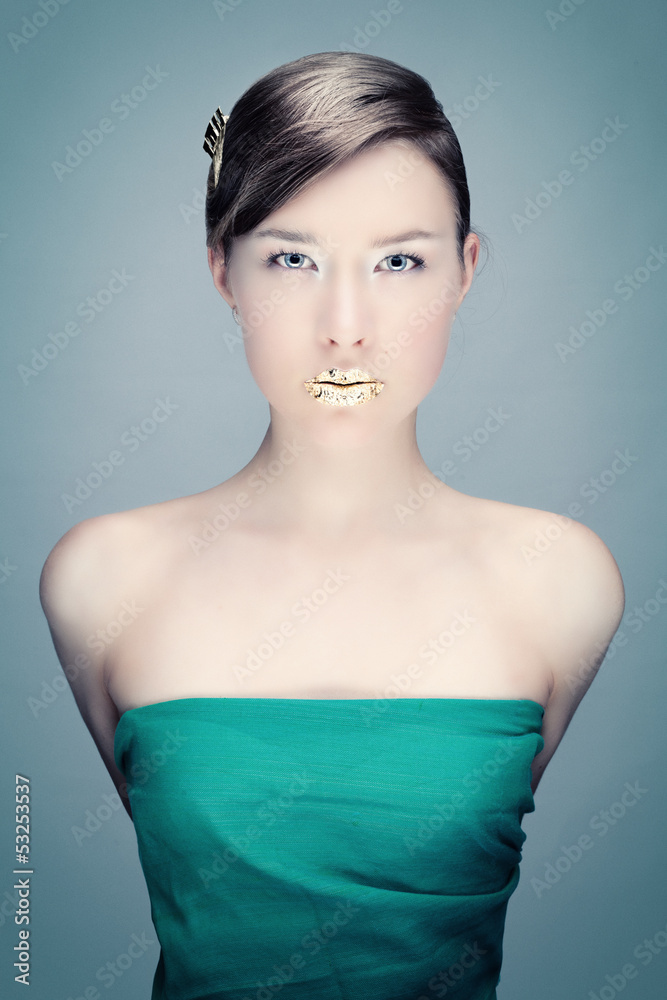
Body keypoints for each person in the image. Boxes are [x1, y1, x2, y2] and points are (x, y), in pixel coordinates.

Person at [39, 51, 624, 1000]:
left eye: (399, 261)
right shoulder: (102, 579)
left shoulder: (562, 580)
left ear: (465, 271)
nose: (345, 326)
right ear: (222, 270)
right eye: (291, 259)